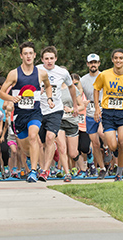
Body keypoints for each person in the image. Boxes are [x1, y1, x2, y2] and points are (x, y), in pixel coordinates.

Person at [0, 41, 54, 183]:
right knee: (25, 148)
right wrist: (12, 98)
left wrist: (49, 98)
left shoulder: (41, 73)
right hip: (19, 116)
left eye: (31, 53)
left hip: (34, 113)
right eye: (25, 54)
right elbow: (1, 93)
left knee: (33, 136)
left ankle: (34, 171)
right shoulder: (14, 74)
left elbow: (48, 86)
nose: (28, 56)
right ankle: (31, 159)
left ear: (35, 55)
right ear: (21, 56)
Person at [93, 48, 123, 182]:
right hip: (108, 112)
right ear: (112, 60)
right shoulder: (104, 75)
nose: (118, 60)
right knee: (113, 145)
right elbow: (96, 89)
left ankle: (119, 173)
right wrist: (97, 108)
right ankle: (113, 151)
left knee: (122, 141)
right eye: (116, 58)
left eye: (121, 58)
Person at [36, 46, 78, 182]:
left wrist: (75, 104)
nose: (49, 61)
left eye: (51, 58)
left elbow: (71, 87)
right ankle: (44, 167)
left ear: (56, 59)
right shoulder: (36, 70)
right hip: (39, 110)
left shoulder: (62, 72)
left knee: (50, 138)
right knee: (40, 142)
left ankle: (45, 171)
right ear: (42, 59)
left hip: (55, 110)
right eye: (46, 58)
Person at [80, 53, 107, 178]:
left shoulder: (104, 76)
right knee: (95, 143)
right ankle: (102, 168)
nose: (93, 65)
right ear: (87, 64)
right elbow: (78, 94)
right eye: (91, 63)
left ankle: (107, 147)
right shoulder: (83, 80)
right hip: (90, 113)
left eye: (95, 62)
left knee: (102, 132)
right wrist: (82, 101)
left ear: (99, 63)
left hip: (104, 111)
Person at [59, 75, 86, 182]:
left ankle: (82, 168)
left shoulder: (72, 89)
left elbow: (81, 106)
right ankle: (67, 173)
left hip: (72, 122)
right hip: (59, 122)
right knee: (62, 148)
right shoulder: (52, 89)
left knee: (73, 153)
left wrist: (71, 109)